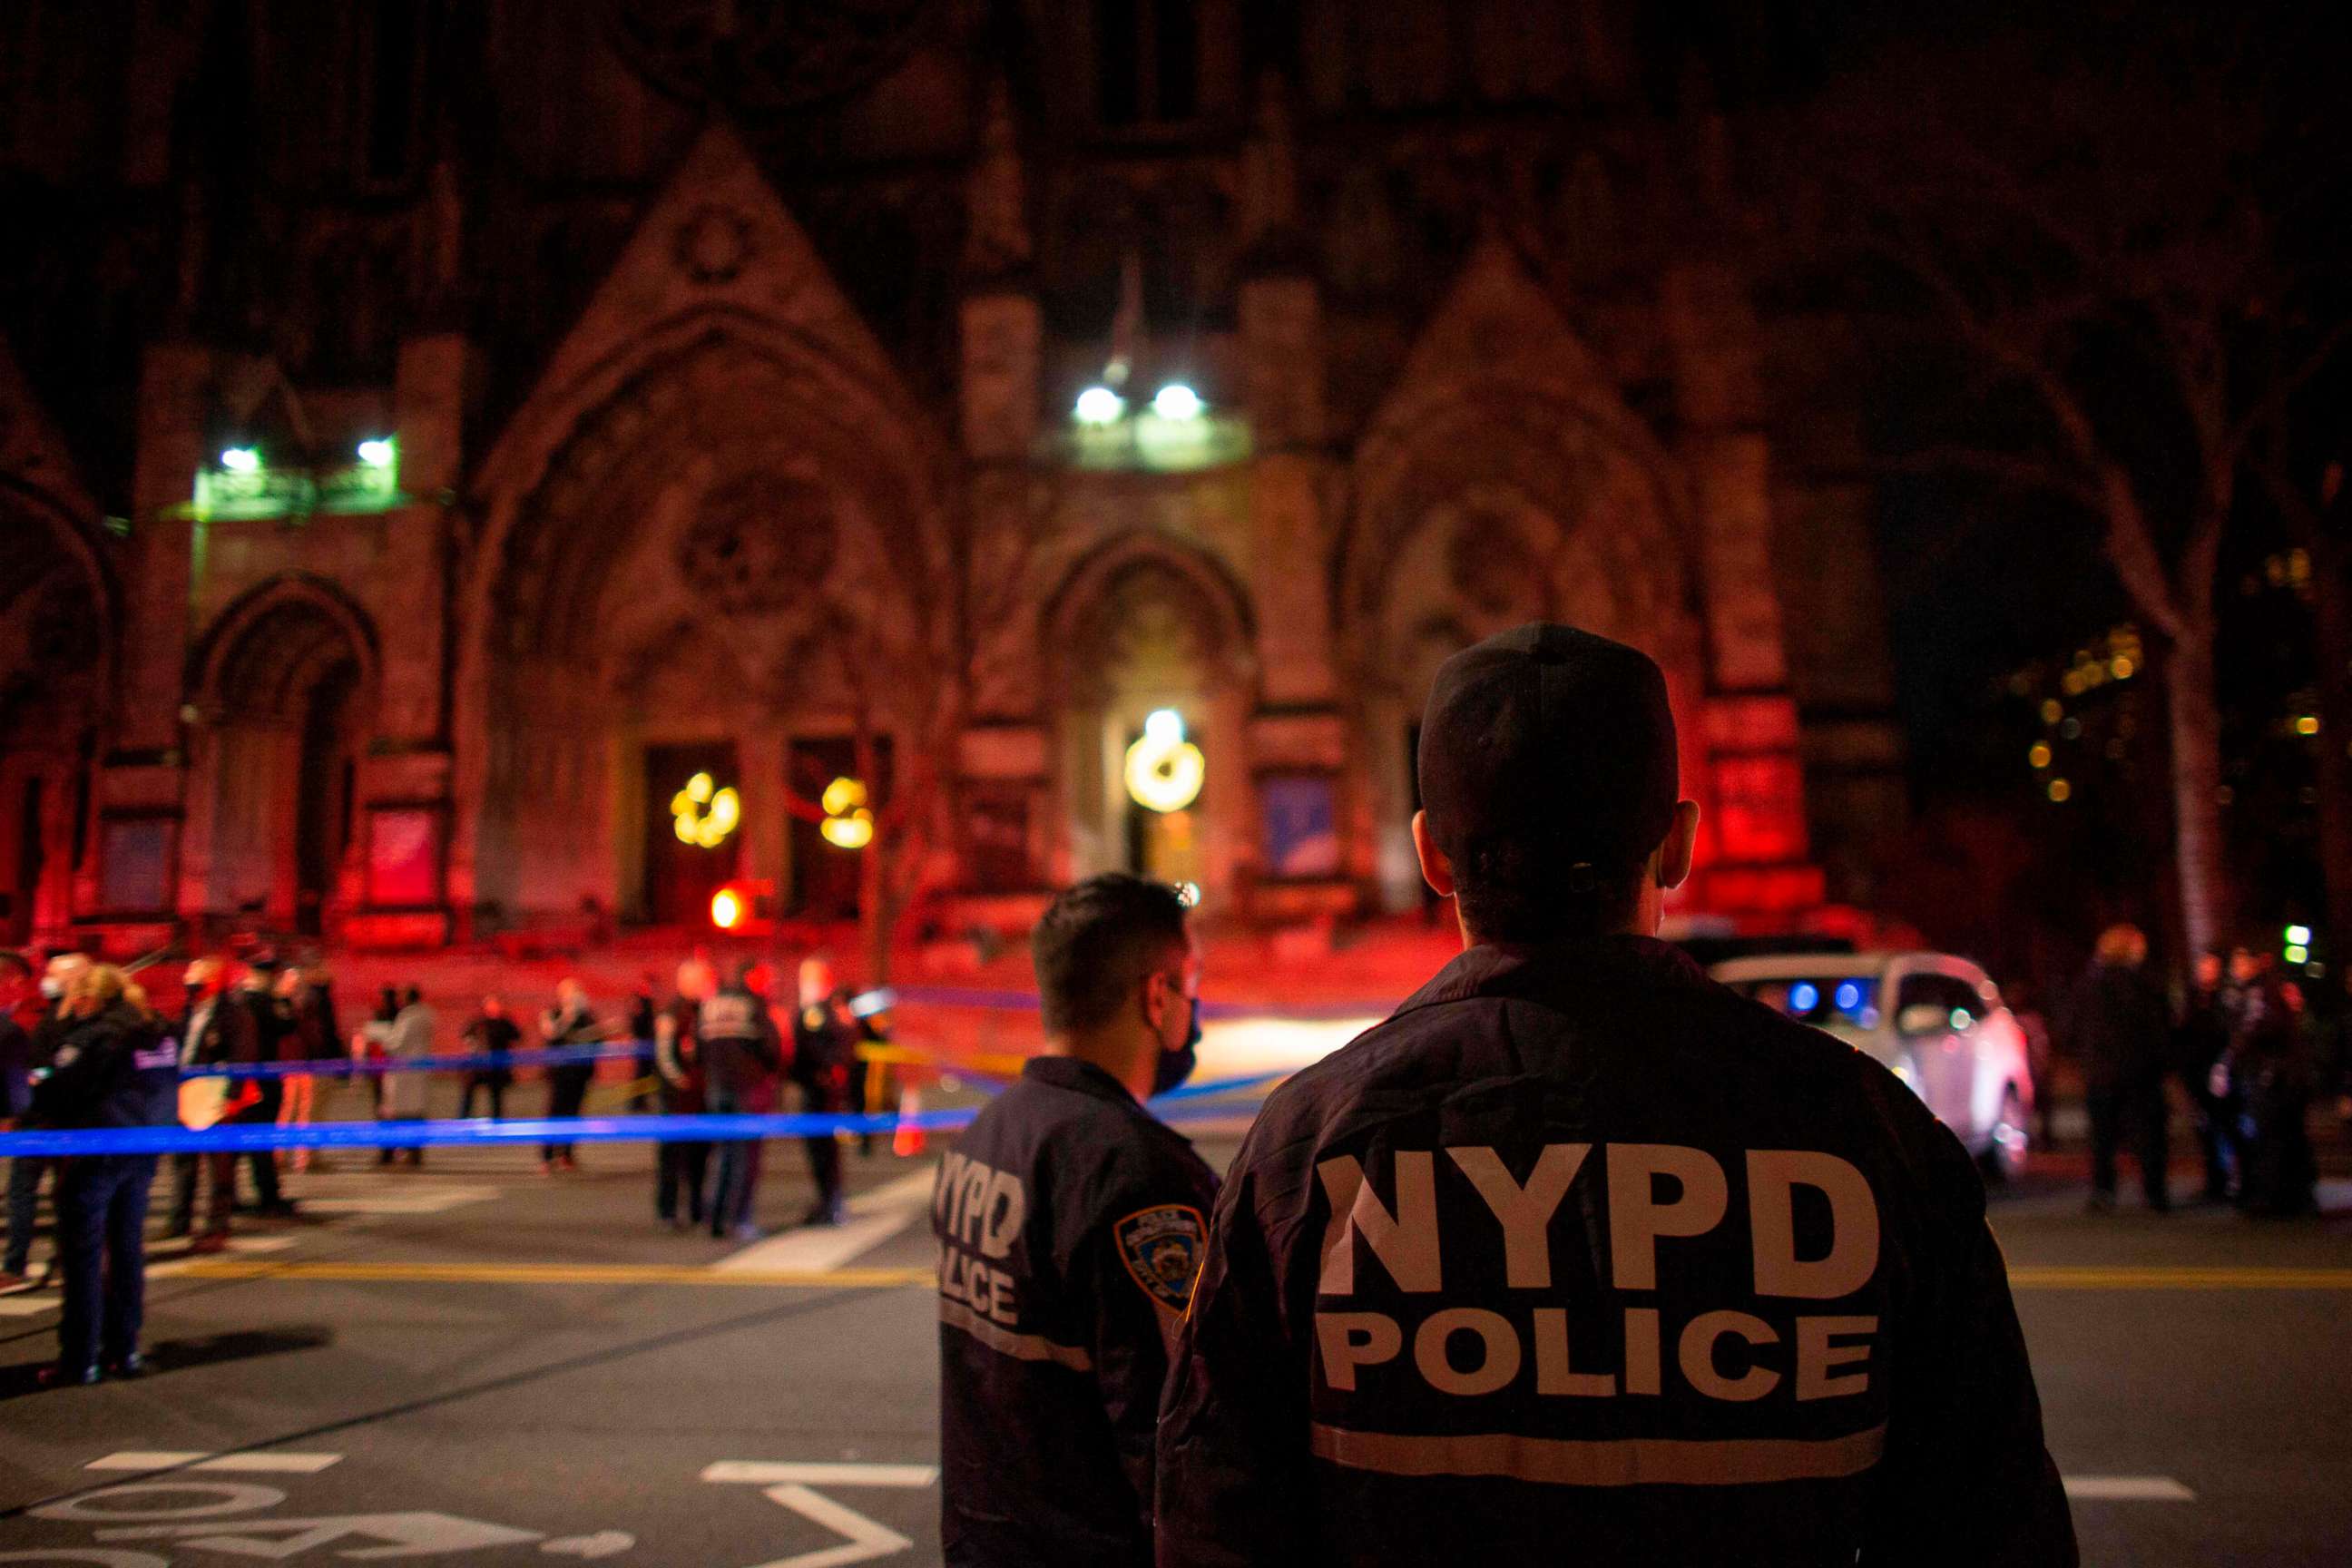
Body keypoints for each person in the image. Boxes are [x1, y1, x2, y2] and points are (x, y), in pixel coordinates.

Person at [1156, 623, 2075, 1567]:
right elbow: (1994, 1527)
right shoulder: (1871, 1138)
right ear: (1675, 843)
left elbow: (1215, 1518)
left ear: (1434, 855)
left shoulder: (1308, 1153)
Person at [933, 872, 1217, 1567]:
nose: (1195, 1009)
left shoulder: (985, 1137)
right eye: (1191, 984)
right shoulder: (1140, 1177)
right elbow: (1179, 1433)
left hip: (987, 1542)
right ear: (1156, 995)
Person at [33, 964, 179, 1387]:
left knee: (82, 1256)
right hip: (143, 1150)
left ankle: (80, 1358)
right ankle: (124, 1349)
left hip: (97, 1151)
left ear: (89, 999)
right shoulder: (156, 1029)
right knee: (128, 1249)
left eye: (74, 998)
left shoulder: (96, 1035)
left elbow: (59, 1088)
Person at [2058, 924, 2172, 1214]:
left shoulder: (2088, 985)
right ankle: (2155, 1192)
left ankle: (2103, 1191)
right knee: (2148, 1135)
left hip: (2102, 1074)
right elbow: (2161, 1028)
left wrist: (2085, 1058)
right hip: (2140, 1073)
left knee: (2103, 1137)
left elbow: (2069, 1028)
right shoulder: (2144, 984)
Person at [167, 956, 252, 1250]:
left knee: (220, 1164)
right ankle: (180, 1219)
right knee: (184, 1161)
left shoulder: (232, 1013)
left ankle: (217, 1225)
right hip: (187, 1092)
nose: (192, 983)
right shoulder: (190, 1011)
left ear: (215, 980)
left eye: (198, 977)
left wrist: (231, 1096)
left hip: (215, 1094)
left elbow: (242, 1057)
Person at [701, 963, 783, 1240]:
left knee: (723, 1153)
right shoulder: (753, 1005)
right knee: (746, 1157)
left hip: (716, 1087)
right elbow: (772, 1048)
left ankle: (715, 1217)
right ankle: (740, 1219)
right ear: (751, 977)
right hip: (747, 1089)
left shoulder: (711, 1004)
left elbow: (697, 1048)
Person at [790, 957, 860, 1227]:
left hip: (818, 1090)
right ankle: (831, 1202)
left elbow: (813, 1051)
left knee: (821, 1150)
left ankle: (829, 1203)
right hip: (827, 1089)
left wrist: (819, 1074)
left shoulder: (816, 1012)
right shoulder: (836, 1010)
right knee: (825, 1150)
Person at [229, 957, 296, 1217]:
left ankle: (229, 1196)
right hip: (263, 1078)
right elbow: (286, 1026)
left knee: (237, 1141)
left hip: (241, 1079)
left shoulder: (236, 1000)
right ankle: (268, 1195)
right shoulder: (263, 1002)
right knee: (262, 1138)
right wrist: (284, 998)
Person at [653, 963, 711, 1231]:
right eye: (701, 980)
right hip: (676, 1099)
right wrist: (679, 1080)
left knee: (699, 1155)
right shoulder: (671, 1013)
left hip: (699, 1098)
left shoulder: (704, 1010)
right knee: (672, 1157)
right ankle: (667, 1210)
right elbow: (664, 1056)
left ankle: (698, 1208)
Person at [2174, 949, 2236, 1201]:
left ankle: (2234, 1179)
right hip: (2197, 1073)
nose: (2206, 972)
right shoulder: (2193, 998)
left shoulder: (2225, 1000)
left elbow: (2225, 1034)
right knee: (2206, 1129)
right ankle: (2215, 1180)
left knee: (2226, 1127)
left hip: (2220, 1071)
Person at [360, 986, 434, 1167]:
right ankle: (414, 1154)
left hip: (402, 1072)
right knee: (415, 1113)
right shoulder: (427, 1016)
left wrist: (378, 1034)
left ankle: (396, 1152)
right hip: (417, 1072)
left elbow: (396, 1043)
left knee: (397, 1113)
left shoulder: (408, 1017)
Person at [277, 965, 338, 1173]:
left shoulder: (280, 1005)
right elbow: (316, 1035)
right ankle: (305, 1158)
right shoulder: (309, 1003)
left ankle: (279, 1156)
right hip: (307, 1063)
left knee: (289, 1110)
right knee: (307, 1112)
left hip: (290, 1063)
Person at [539, 979, 602, 1172]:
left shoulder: (587, 1017)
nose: (572, 997)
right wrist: (566, 1018)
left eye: (575, 993)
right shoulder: (552, 1014)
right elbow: (550, 1034)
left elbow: (596, 1039)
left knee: (574, 1113)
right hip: (559, 1072)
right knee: (555, 1112)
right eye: (568, 993)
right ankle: (547, 1156)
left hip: (580, 1072)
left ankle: (567, 1153)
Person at [460, 995, 520, 1121]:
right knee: (469, 1090)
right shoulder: (479, 1022)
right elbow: (466, 1036)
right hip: (479, 1065)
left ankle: (497, 1121)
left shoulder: (504, 1022)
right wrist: (472, 1046)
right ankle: (464, 1118)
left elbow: (517, 1036)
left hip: (497, 1067)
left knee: (496, 1094)